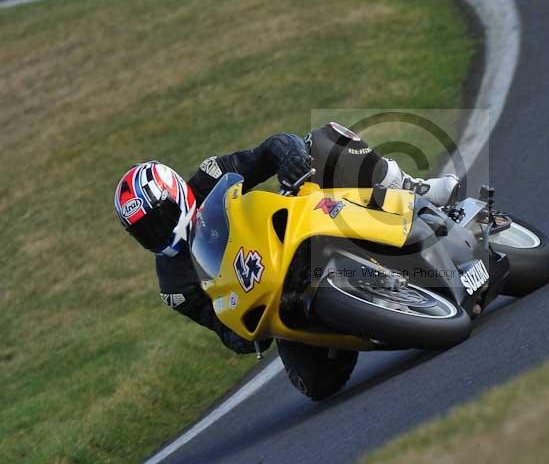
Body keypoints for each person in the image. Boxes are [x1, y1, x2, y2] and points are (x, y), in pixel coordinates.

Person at [113, 122, 459, 356]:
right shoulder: (173, 285)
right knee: (316, 385)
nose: (157, 233)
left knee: (322, 140)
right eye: (145, 231)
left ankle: (410, 188)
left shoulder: (208, 176)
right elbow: (223, 330)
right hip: (275, 299)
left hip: (288, 228)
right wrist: (246, 331)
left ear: (177, 194)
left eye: (158, 220)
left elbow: (270, 149)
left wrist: (290, 159)